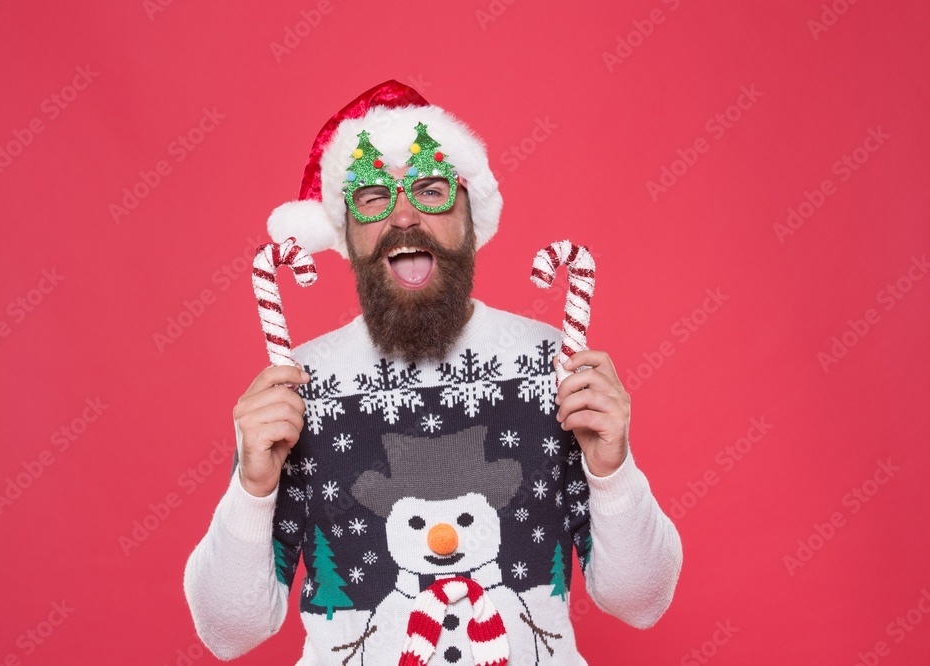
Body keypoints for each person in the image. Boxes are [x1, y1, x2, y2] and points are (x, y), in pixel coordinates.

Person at [183, 80, 682, 665]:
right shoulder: (297, 388)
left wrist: (612, 471)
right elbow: (227, 630)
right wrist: (252, 488)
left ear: (471, 217)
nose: (404, 215)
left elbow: (642, 601)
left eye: (431, 188)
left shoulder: (555, 367)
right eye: (372, 196)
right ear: (346, 230)